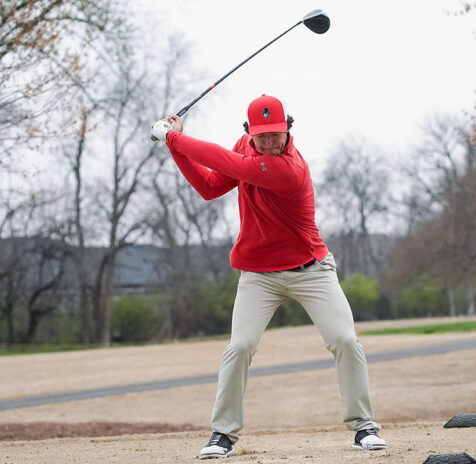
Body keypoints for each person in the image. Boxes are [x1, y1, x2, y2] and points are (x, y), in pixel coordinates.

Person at [151, 94, 387, 459]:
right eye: (262, 136)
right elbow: (210, 186)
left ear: (288, 129)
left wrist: (174, 138)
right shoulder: (246, 148)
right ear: (249, 133)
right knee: (240, 347)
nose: (270, 141)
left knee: (344, 339)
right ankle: (222, 434)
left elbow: (227, 162)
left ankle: (363, 427)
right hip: (259, 274)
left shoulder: (288, 169)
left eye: (276, 133)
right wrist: (176, 147)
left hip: (311, 269)